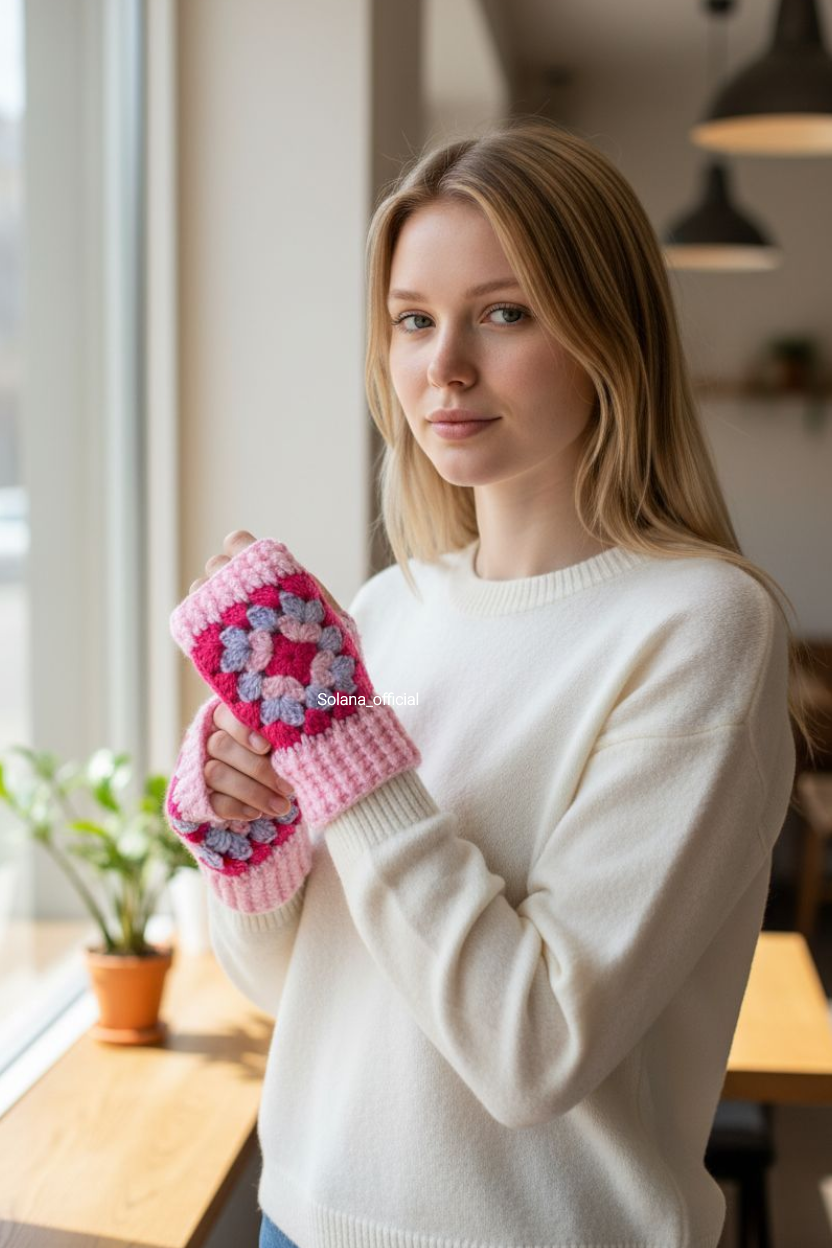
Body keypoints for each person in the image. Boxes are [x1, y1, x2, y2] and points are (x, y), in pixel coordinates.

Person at [164, 119, 816, 1248]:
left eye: (504, 314)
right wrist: (249, 838)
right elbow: (296, 988)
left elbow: (534, 1050)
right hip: (297, 1221)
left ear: (609, 333)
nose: (444, 367)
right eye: (413, 320)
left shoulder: (701, 627)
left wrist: (341, 750)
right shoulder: (386, 612)